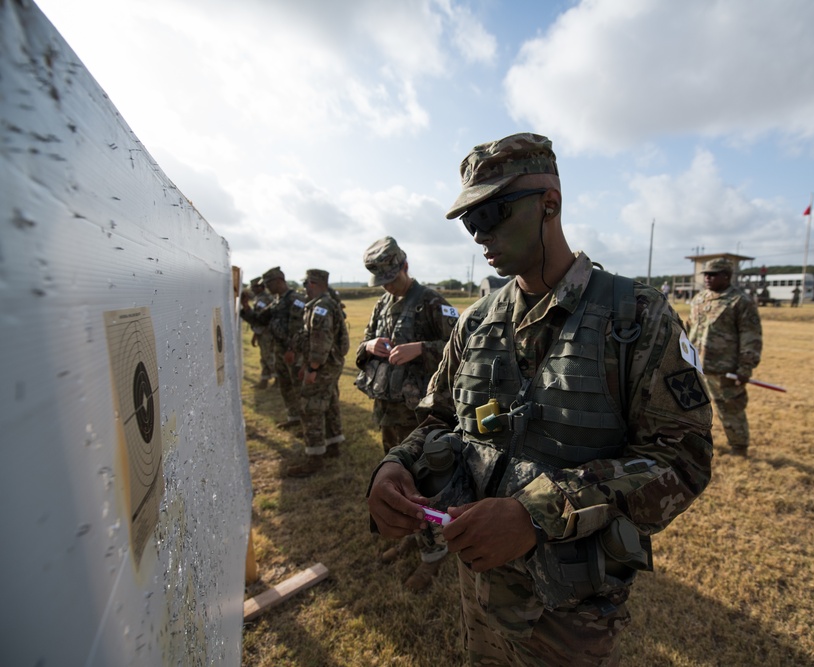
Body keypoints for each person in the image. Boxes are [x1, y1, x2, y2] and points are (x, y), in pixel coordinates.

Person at [366, 133, 713, 666]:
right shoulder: (479, 320)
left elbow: (682, 460)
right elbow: (439, 417)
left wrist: (535, 513)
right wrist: (397, 465)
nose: (480, 235)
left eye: (494, 214)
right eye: (469, 222)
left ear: (549, 202)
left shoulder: (636, 317)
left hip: (570, 613)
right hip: (479, 588)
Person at [356, 236, 459, 591]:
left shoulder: (432, 303)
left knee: (424, 485)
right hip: (389, 408)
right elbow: (365, 341)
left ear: (405, 266)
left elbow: (463, 347)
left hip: (422, 417)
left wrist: (421, 349)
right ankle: (411, 537)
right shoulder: (383, 304)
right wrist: (370, 345)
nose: (387, 285)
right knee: (397, 480)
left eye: (391, 277)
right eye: (381, 280)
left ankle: (433, 553)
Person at [686, 257, 763, 457]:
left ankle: (739, 448)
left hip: (724, 370)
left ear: (726, 276)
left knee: (730, 410)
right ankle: (694, 443)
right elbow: (688, 329)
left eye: (713, 275)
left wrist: (745, 368)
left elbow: (751, 337)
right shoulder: (699, 299)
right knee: (691, 408)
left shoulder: (740, 302)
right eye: (706, 275)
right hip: (695, 366)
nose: (708, 278)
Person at [283, 269, 350, 477]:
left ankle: (315, 458)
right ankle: (333, 445)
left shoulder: (321, 307)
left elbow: (321, 340)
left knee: (311, 405)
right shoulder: (323, 304)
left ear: (313, 283)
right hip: (327, 363)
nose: (304, 288)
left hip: (324, 365)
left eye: (305, 284)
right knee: (328, 402)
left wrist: (313, 367)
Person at [241, 267, 307, 429]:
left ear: (279, 281)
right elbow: (260, 319)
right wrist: (245, 307)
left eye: (269, 283)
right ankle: (294, 418)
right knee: (285, 385)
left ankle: (307, 424)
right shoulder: (276, 301)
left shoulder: (295, 300)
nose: (266, 287)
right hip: (280, 351)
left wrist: (292, 349)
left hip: (294, 352)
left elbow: (299, 328)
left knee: (299, 388)